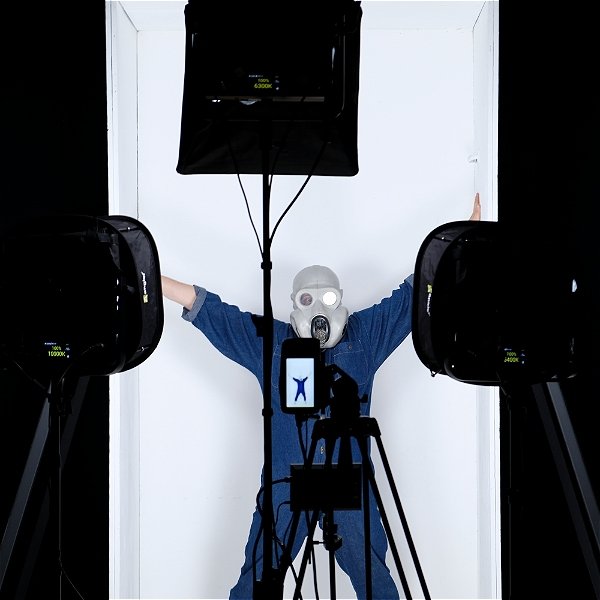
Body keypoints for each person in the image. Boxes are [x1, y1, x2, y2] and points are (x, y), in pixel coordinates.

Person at [161, 193, 481, 599]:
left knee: (374, 581)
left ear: (341, 300)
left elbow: (415, 291)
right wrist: (149, 277)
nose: (318, 311)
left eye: (327, 299)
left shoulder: (365, 337)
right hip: (287, 483)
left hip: (346, 483)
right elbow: (208, 309)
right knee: (259, 581)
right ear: (294, 305)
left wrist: (457, 239)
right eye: (307, 301)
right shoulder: (272, 342)